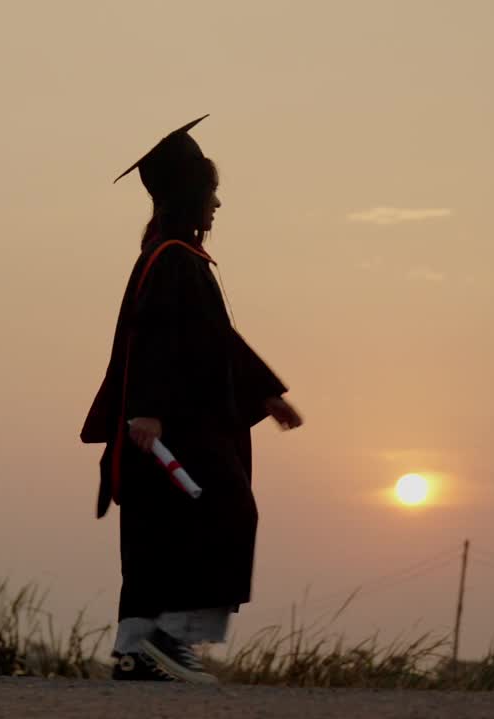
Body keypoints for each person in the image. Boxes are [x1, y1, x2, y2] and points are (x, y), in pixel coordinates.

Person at [80, 115, 303, 683]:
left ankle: (137, 650)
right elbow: (150, 336)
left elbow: (215, 339)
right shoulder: (169, 261)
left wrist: (266, 392)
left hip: (179, 424)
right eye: (212, 194)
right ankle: (169, 639)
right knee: (219, 515)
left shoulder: (177, 258)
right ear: (190, 196)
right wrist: (148, 410)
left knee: (161, 535)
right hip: (172, 428)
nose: (218, 207)